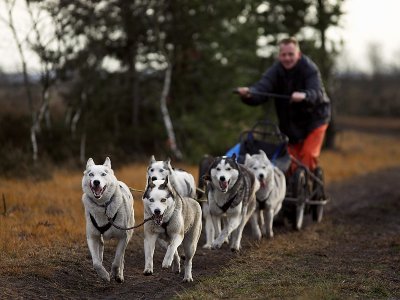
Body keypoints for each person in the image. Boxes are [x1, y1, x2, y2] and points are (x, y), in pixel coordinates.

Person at [236, 36, 331, 175]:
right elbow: (262, 88)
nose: (287, 58)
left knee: (308, 156)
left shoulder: (310, 69)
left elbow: (316, 92)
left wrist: (305, 95)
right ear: (279, 56)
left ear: (298, 54)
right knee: (288, 163)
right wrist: (250, 94)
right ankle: (289, 190)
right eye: (283, 55)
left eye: (290, 54)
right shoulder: (275, 71)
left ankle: (307, 189)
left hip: (315, 121)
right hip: (290, 125)